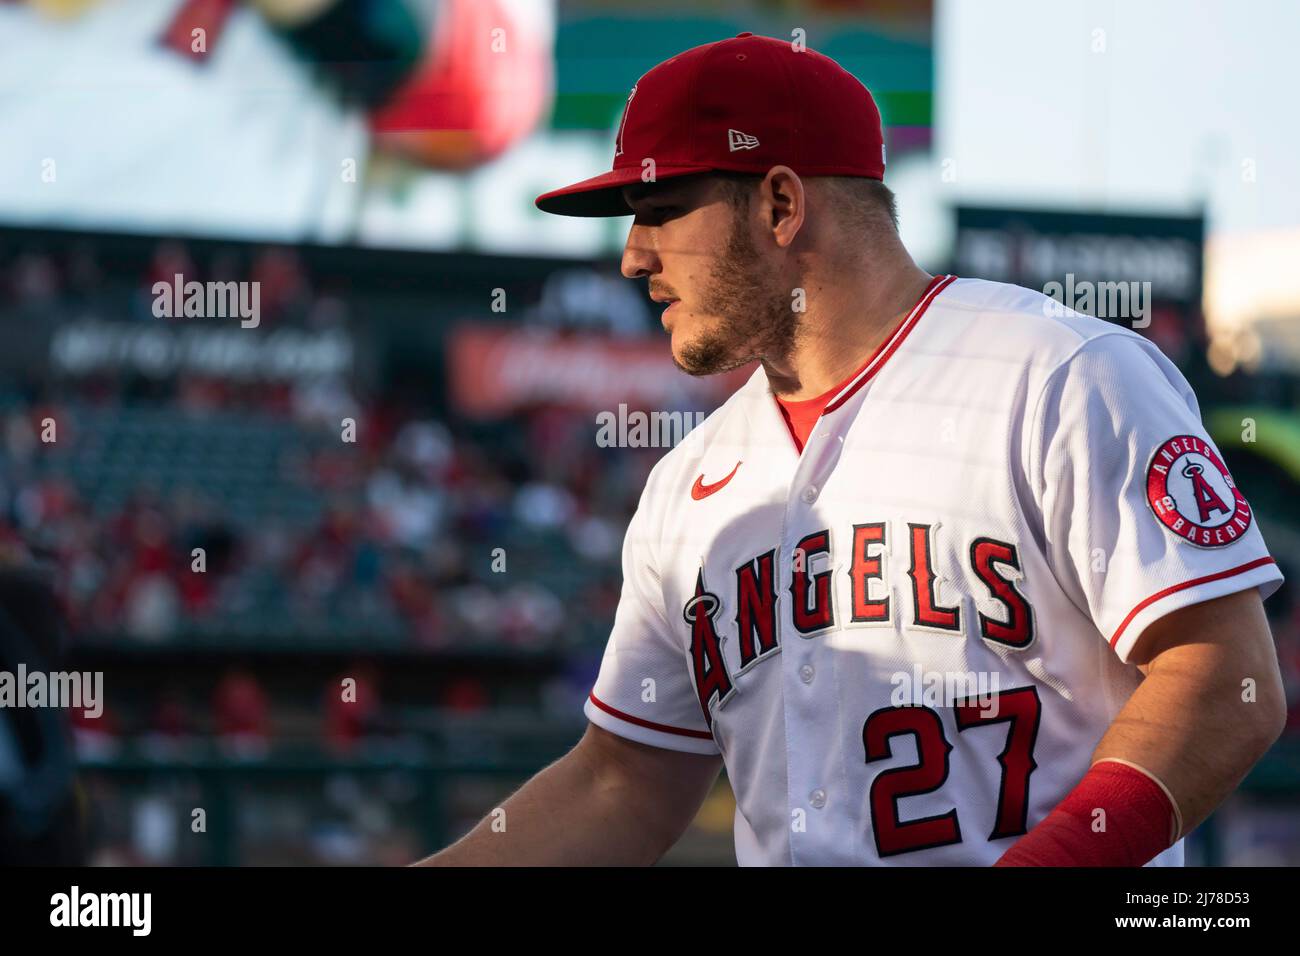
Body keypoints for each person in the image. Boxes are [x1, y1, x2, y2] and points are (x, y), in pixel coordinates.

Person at [418, 33, 1287, 866]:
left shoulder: (1060, 374)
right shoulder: (686, 487)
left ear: (782, 204)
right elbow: (622, 780)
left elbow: (1226, 682)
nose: (632, 257)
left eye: (658, 211)